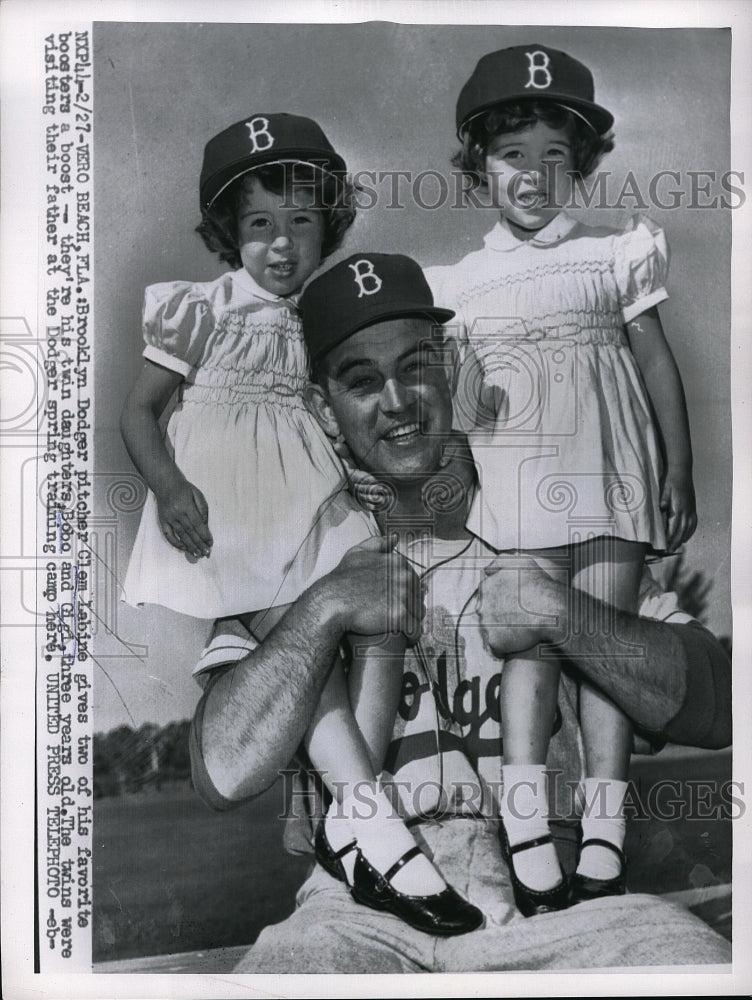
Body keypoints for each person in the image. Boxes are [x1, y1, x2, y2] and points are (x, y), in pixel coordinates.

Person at [188, 252, 731, 973]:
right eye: (360, 380)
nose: (397, 401)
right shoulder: (299, 557)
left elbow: (719, 707)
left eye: (417, 366)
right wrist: (324, 610)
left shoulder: (547, 525)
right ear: (324, 408)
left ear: (449, 371)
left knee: (684, 961)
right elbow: (219, 772)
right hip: (358, 909)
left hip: (559, 899)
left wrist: (560, 612)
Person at [119, 119, 475, 934]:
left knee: (384, 618)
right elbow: (139, 412)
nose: (281, 245)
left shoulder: (320, 316)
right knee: (306, 642)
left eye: (301, 222)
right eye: (259, 225)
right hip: (235, 508)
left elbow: (333, 413)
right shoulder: (199, 308)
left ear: (329, 225)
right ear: (227, 232)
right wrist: (170, 487)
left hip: (315, 499)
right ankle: (380, 835)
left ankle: (343, 814)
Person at [424, 44, 698, 912]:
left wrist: (681, 467)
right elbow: (463, 412)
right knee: (527, 649)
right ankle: (529, 828)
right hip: (516, 485)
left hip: (613, 475)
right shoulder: (460, 284)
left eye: (553, 155)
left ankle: (607, 835)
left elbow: (657, 367)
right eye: (513, 155)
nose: (533, 175)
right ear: (480, 165)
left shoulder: (615, 255)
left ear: (578, 164)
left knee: (607, 654)